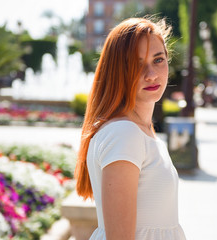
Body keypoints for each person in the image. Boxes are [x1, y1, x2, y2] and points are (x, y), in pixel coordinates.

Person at [74, 17, 186, 240]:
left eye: (158, 59)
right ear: (117, 70)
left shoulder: (141, 131)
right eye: (136, 64)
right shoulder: (124, 133)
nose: (151, 74)